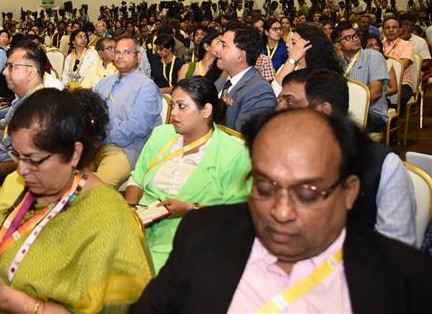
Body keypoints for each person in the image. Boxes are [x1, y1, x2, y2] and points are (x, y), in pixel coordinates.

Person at [131, 109, 432, 313]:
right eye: (264, 187)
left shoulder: (404, 282)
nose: (281, 211)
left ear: (348, 192)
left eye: (307, 193)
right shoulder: (203, 235)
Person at [0, 89, 152, 313]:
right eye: (18, 156)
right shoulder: (24, 188)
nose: (22, 170)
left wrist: (5, 298)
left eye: (34, 160)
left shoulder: (109, 217)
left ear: (74, 154)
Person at [276, 69, 416, 246]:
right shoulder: (280, 157)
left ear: (323, 111)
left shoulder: (383, 167)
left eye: (289, 102)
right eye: (279, 100)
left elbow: (395, 252)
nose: (278, 109)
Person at [125, 77, 250, 272]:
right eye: (173, 105)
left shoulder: (233, 154)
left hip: (187, 234)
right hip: (140, 223)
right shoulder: (162, 135)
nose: (173, 113)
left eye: (182, 106)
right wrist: (130, 211)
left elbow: (236, 217)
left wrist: (190, 209)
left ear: (206, 111)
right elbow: (137, 179)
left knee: (138, 277)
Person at [0, 42, 47, 176]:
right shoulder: (27, 98)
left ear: (31, 72)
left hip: (9, 168)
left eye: (11, 67)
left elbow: (23, 161)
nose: (5, 72)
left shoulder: (35, 111)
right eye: (6, 66)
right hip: (6, 152)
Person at [94, 35, 162, 167]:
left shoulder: (146, 87)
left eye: (127, 52)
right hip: (96, 145)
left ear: (138, 57)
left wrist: (101, 138)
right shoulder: (104, 82)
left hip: (128, 149)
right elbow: (91, 112)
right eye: (117, 52)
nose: (120, 56)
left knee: (98, 184)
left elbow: (137, 127)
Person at [214, 25, 276, 131]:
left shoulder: (259, 92)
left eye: (224, 46)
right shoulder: (220, 82)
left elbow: (244, 141)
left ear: (241, 56)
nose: (217, 50)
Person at [331, 23, 389, 133]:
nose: (354, 39)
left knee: (339, 125)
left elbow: (376, 93)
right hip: (348, 112)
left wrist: (349, 110)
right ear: (338, 45)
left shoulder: (373, 56)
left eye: (355, 35)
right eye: (348, 38)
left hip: (373, 114)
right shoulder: (339, 64)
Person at [271, 23, 342, 96]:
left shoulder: (324, 76)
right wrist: (291, 60)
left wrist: (292, 60)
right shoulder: (286, 67)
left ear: (309, 47)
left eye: (294, 43)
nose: (287, 44)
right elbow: (273, 94)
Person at [382, 16, 415, 110]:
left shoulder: (407, 45)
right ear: (383, 30)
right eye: (387, 28)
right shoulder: (379, 45)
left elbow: (403, 64)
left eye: (394, 27)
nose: (391, 30)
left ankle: (391, 120)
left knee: (397, 98)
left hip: (403, 83)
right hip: (383, 82)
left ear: (400, 29)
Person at [365, 35, 399, 100]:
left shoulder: (387, 63)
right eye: (370, 46)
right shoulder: (360, 64)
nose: (375, 48)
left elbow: (394, 89)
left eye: (377, 45)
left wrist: (375, 94)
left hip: (380, 99)